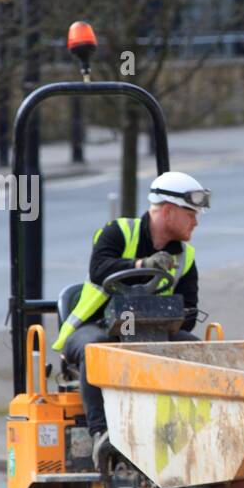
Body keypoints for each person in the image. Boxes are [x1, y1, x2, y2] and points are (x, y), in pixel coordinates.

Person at [51, 171, 209, 467]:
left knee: (194, 349)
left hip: (151, 332)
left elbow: (189, 312)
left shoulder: (185, 257)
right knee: (96, 350)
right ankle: (102, 435)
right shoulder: (118, 233)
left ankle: (184, 431)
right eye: (191, 214)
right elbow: (100, 269)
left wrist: (166, 317)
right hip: (94, 328)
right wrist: (142, 265)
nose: (196, 222)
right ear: (168, 211)